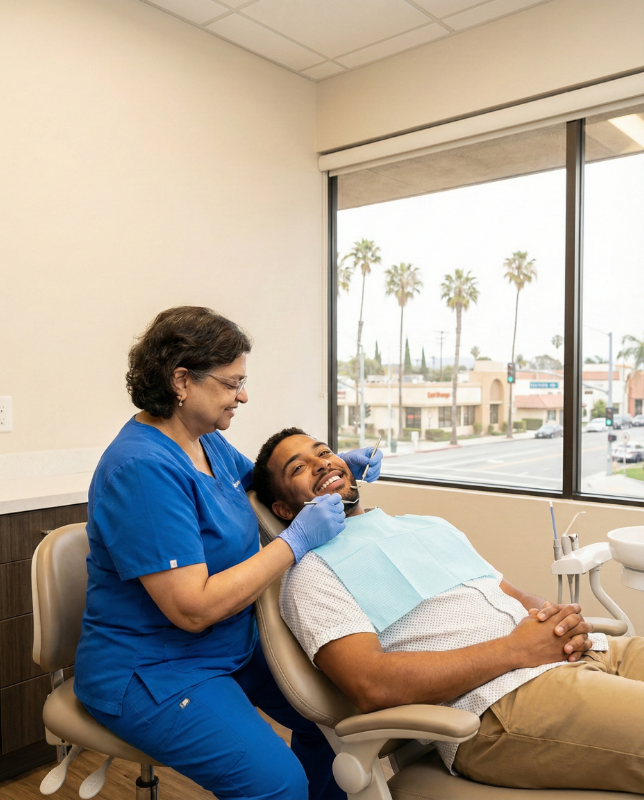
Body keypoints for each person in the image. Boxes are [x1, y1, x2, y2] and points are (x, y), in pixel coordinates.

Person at [73, 307, 383, 800]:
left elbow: (264, 484)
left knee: (341, 723)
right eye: (232, 383)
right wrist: (294, 541)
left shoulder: (207, 442)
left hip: (231, 644)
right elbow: (192, 609)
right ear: (182, 381)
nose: (242, 395)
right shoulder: (142, 470)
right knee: (279, 784)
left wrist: (332, 467)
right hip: (153, 670)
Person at [252, 428, 644, 795]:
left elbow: (512, 594)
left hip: (588, 653)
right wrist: (516, 650)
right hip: (501, 704)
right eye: (299, 468)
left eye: (324, 452)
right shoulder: (312, 573)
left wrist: (559, 622)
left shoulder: (426, 525)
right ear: (283, 509)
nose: (322, 464)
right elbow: (371, 684)